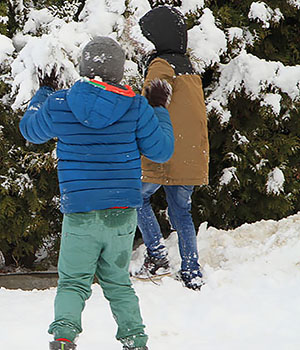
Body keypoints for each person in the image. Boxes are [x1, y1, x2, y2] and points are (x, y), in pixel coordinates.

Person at [19, 37, 175, 350]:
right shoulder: (135, 106)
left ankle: (63, 338)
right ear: (118, 71)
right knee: (118, 282)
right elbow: (161, 151)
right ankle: (135, 340)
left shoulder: (61, 103)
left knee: (73, 281)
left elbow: (30, 130)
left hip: (80, 210)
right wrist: (158, 108)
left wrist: (45, 91)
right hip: (121, 211)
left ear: (83, 67)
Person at [132, 6, 209, 291]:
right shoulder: (190, 68)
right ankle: (191, 270)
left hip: (163, 151)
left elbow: (149, 107)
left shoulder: (161, 65)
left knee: (136, 199)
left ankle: (157, 255)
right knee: (182, 213)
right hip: (191, 154)